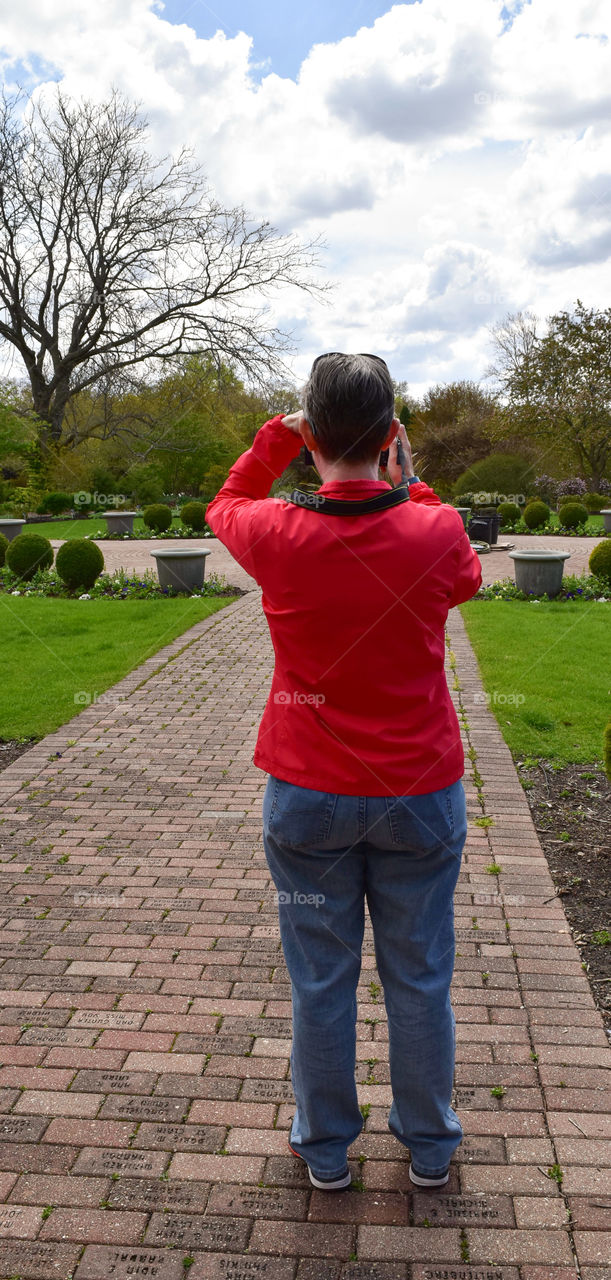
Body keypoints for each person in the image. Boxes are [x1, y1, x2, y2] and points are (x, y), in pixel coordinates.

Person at [206, 352, 482, 1192]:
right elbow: (463, 568)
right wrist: (416, 479)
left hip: (309, 798)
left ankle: (326, 1150)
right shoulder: (432, 531)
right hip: (418, 796)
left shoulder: (279, 535)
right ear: (391, 435)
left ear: (310, 439)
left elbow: (225, 503)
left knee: (320, 979)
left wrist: (271, 440)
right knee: (419, 975)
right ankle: (428, 1147)